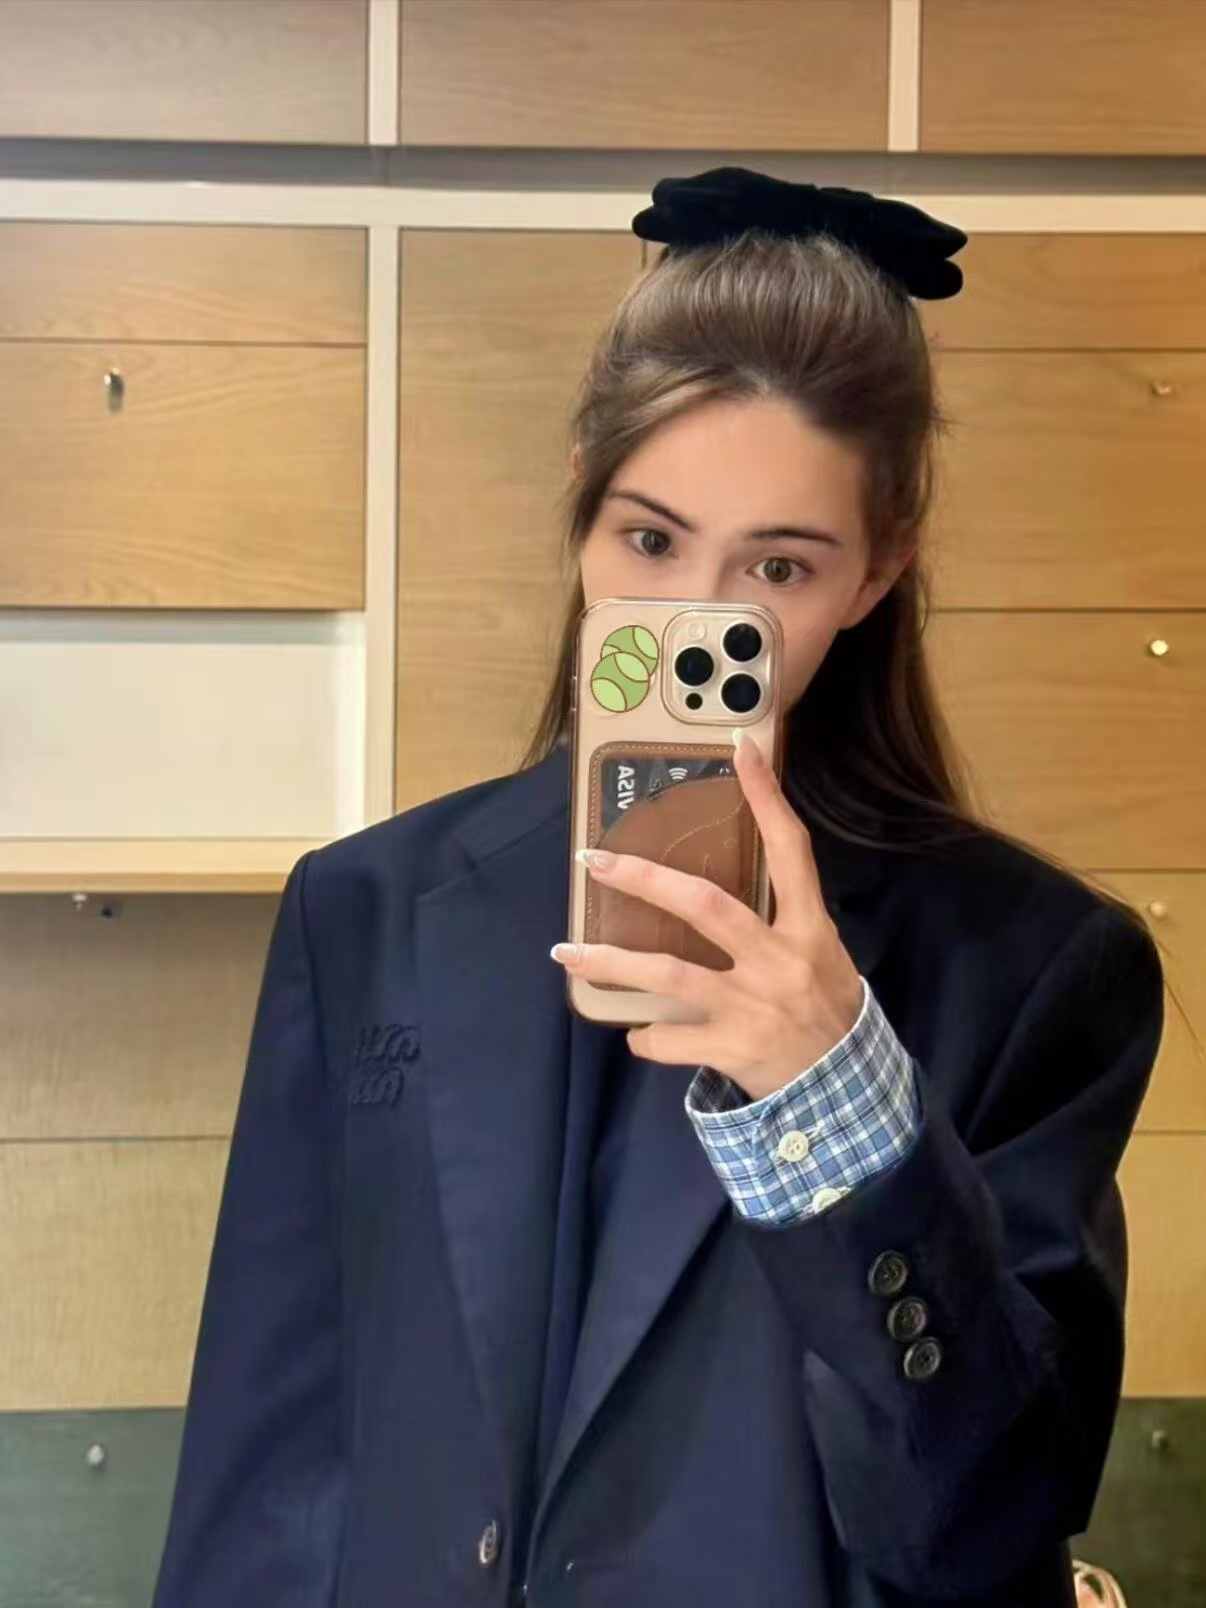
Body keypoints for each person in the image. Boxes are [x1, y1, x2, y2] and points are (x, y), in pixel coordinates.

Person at [151, 169, 1166, 1608]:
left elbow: (984, 1527)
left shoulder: (1028, 964)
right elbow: (271, 1462)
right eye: (650, 540)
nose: (698, 615)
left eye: (779, 566)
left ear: (877, 572)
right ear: (581, 510)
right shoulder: (366, 909)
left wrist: (840, 1110)